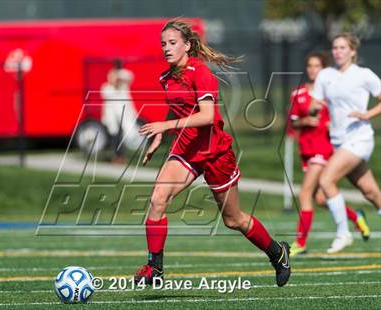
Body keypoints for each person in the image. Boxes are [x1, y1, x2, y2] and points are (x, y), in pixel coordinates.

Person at [134, 19, 291, 287]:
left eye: (172, 43)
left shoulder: (201, 73)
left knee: (234, 219)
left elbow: (207, 116)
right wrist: (160, 134)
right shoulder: (166, 77)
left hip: (215, 152)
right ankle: (155, 267)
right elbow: (177, 108)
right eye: (163, 44)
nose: (167, 48)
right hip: (186, 149)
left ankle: (277, 253)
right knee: (158, 199)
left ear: (187, 45)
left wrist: (165, 125)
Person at [288, 52, 370, 256]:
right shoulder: (298, 93)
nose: (312, 69)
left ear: (324, 69)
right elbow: (293, 121)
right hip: (306, 150)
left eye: (317, 66)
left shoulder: (331, 93)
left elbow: (340, 118)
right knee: (321, 199)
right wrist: (304, 121)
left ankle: (300, 242)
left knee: (305, 193)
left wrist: (331, 124)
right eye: (310, 65)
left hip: (323, 149)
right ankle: (355, 217)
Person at [310, 33, 381, 254]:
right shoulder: (325, 75)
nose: (338, 51)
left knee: (326, 180)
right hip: (339, 143)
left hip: (360, 139)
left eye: (342, 47)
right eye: (335, 47)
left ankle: (343, 233)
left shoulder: (363, 75)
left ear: (352, 51)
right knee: (370, 192)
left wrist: (367, 114)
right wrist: (313, 108)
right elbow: (316, 102)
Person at [101, 59, 142, 163]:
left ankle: (121, 156)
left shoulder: (124, 83)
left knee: (123, 134)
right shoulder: (107, 88)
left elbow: (128, 77)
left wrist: (118, 77)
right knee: (114, 136)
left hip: (123, 115)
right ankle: (116, 155)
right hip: (113, 117)